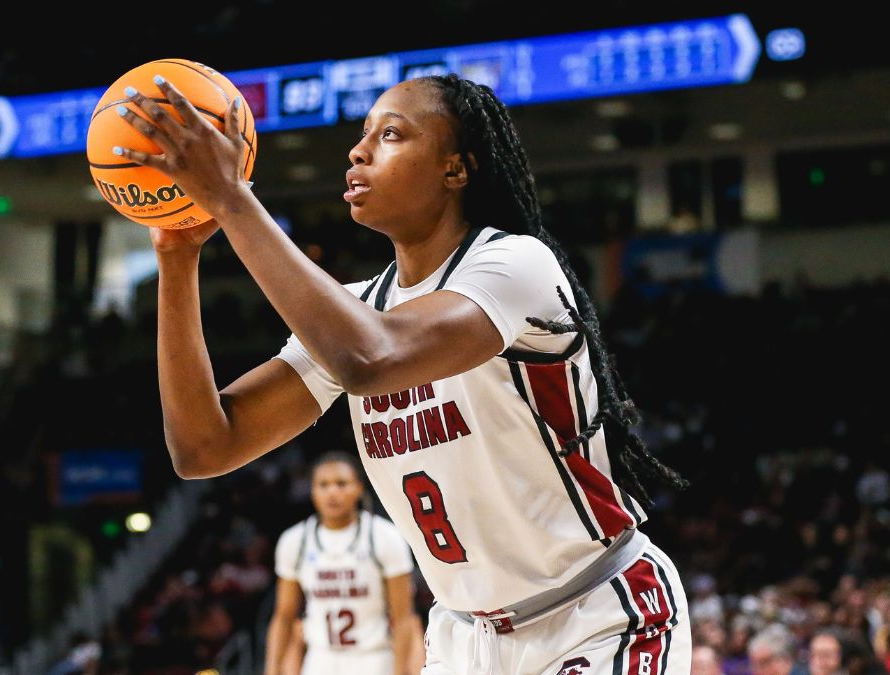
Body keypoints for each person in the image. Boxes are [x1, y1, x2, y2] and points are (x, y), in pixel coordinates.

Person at [118, 71, 692, 673]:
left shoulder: (517, 265)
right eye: (363, 134)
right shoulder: (355, 310)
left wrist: (234, 200)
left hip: (594, 617)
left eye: (391, 134)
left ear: (456, 169)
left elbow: (371, 359)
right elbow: (205, 447)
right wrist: (176, 259)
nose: (358, 150)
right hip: (461, 639)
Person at [265, 452, 420, 675]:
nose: (332, 492)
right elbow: (284, 616)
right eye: (323, 485)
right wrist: (272, 669)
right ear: (312, 491)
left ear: (359, 487)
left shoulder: (384, 536)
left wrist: (402, 671)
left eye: (341, 483)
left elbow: (404, 617)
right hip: (320, 659)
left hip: (373, 658)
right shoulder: (295, 540)